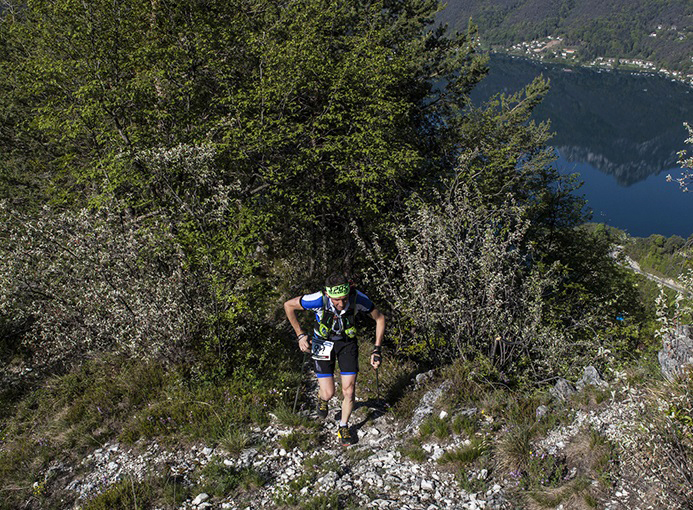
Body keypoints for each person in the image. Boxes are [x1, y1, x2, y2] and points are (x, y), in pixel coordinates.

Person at [283, 273, 385, 445]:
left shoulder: (357, 298)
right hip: (322, 343)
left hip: (347, 344)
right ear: (328, 295)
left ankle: (343, 426)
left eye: (344, 299)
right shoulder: (317, 299)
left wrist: (377, 349)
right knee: (329, 393)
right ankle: (322, 400)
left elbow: (380, 318)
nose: (341, 303)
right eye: (336, 300)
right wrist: (300, 335)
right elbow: (288, 305)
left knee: (349, 390)